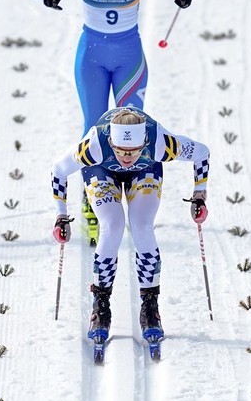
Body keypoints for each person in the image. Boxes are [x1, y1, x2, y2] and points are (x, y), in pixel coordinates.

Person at [29, 0, 194, 241]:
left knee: (131, 128)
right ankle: (93, 199)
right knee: (94, 128)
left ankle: (135, 201)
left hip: (128, 58)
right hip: (91, 56)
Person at [49, 107, 210, 346]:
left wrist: (199, 194)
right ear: (111, 142)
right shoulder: (94, 145)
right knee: (112, 226)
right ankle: (100, 306)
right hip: (100, 169)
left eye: (133, 151)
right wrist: (61, 216)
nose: (126, 158)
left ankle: (150, 307)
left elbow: (202, 153)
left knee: (142, 225)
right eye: (121, 151)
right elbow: (59, 169)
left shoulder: (161, 143)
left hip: (146, 169)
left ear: (144, 142)